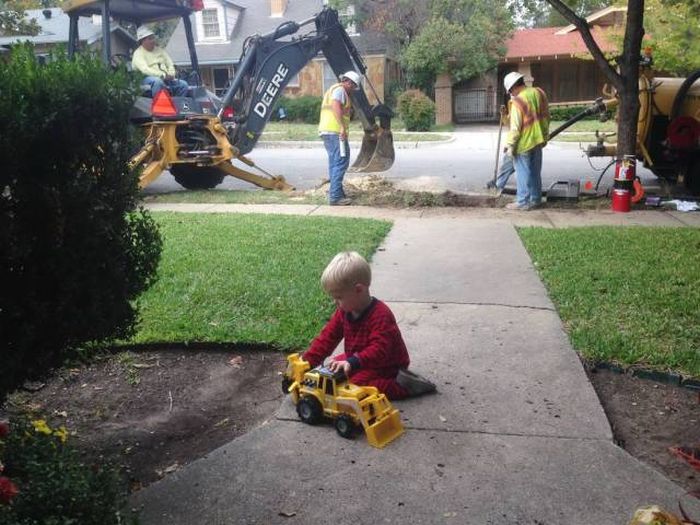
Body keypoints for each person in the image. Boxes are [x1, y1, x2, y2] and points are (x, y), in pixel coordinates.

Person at [301, 251, 436, 399]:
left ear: (359, 290)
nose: (335, 302)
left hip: (386, 365)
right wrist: (307, 362)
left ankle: (405, 386)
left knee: (355, 386)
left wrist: (353, 362)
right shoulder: (344, 312)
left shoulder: (381, 315)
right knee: (332, 368)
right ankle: (352, 367)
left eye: (339, 297)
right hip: (359, 359)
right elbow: (328, 337)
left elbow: (380, 349)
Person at [502, 71, 550, 211]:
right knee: (535, 172)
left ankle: (522, 201)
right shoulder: (539, 92)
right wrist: (545, 135)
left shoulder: (517, 102)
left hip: (523, 143)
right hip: (538, 139)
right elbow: (547, 115)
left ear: (512, 88)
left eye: (510, 91)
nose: (511, 93)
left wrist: (510, 145)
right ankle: (535, 199)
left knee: (523, 172)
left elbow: (515, 128)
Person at [318, 71, 361, 206]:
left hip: (327, 131)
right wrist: (342, 127)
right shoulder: (340, 91)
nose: (353, 90)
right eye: (353, 87)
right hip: (335, 132)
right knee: (341, 161)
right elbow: (336, 106)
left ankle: (336, 192)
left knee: (334, 163)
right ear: (348, 82)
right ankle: (335, 197)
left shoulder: (333, 89)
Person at [132, 26, 189, 98]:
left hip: (165, 78)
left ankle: (176, 105)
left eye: (153, 38)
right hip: (145, 79)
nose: (153, 40)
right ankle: (159, 106)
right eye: (150, 39)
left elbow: (170, 63)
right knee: (158, 82)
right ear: (142, 41)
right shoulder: (138, 53)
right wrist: (162, 75)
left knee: (183, 85)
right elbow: (145, 70)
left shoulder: (160, 50)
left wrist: (171, 74)